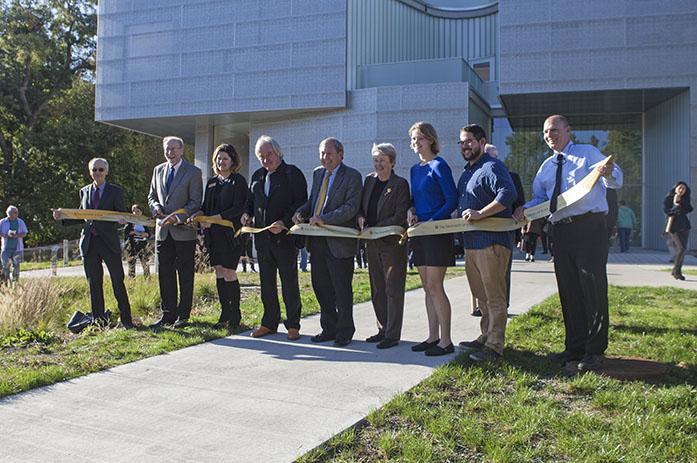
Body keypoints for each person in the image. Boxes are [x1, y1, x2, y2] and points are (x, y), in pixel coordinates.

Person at [514, 115, 623, 372]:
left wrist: (608, 172)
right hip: (560, 232)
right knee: (569, 290)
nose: (549, 135)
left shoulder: (588, 153)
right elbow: (540, 199)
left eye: (554, 130)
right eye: (545, 132)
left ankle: (595, 351)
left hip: (589, 228)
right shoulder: (545, 167)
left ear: (567, 130)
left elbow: (615, 177)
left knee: (592, 289)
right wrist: (523, 210)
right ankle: (574, 348)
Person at [293, 137, 362, 347]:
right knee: (321, 287)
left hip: (339, 242)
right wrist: (301, 212)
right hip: (317, 242)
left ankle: (345, 331)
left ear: (341, 154)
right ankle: (328, 328)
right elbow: (314, 201)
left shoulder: (352, 176)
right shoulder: (318, 173)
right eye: (322, 153)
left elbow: (351, 207)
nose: (325, 157)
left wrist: (325, 219)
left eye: (329, 153)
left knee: (341, 289)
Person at [456, 125, 517, 362]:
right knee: (480, 295)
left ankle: (495, 346)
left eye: (469, 141)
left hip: (492, 243)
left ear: (482, 142)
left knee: (494, 298)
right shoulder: (467, 172)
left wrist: (481, 213)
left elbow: (507, 194)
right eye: (462, 142)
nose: (465, 146)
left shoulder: (492, 166)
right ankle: (485, 335)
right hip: (471, 244)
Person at [53, 158, 133, 328]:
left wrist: (122, 220)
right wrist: (62, 217)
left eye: (100, 170)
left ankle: (127, 321)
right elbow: (82, 216)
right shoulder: (84, 191)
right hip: (89, 243)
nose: (97, 173)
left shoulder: (115, 191)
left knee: (117, 281)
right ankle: (99, 322)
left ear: (106, 172)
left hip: (108, 243)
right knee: (94, 284)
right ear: (90, 172)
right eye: (94, 170)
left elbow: (122, 215)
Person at [242, 135, 308, 340]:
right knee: (266, 283)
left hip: (285, 239)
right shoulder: (257, 176)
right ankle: (269, 323)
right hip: (262, 240)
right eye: (261, 156)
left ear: (278, 152)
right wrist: (247, 214)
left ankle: (293, 325)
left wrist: (285, 222)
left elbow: (301, 203)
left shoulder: (292, 173)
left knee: (289, 282)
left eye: (269, 154)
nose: (265, 159)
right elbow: (250, 201)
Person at [407, 122, 457, 356]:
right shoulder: (415, 169)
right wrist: (412, 210)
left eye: (420, 138)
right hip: (420, 232)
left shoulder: (440, 165)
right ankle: (432, 337)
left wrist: (431, 221)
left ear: (431, 140)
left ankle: (446, 341)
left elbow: (451, 201)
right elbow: (415, 199)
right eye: (413, 139)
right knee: (427, 287)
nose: (416, 143)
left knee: (436, 286)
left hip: (437, 232)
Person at [357, 143, 410, 349]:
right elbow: (362, 208)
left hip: (391, 244)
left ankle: (392, 334)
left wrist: (376, 228)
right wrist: (361, 219)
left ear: (392, 162)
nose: (378, 164)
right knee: (377, 288)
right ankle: (382, 328)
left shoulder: (400, 184)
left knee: (392, 289)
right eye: (376, 160)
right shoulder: (369, 180)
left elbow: (399, 215)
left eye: (382, 160)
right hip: (371, 243)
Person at [148, 136, 203, 329]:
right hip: (163, 232)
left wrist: (177, 217)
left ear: (181, 150)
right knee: (165, 273)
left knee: (185, 274)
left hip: (183, 231)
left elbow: (195, 202)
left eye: (173, 149)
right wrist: (155, 208)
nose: (170, 152)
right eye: (167, 149)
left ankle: (184, 315)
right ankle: (167, 314)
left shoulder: (194, 172)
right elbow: (152, 196)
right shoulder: (158, 170)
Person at [196, 144, 247, 330]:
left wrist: (215, 219)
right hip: (213, 235)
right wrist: (200, 215)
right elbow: (205, 205)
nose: (221, 161)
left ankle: (235, 315)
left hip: (230, 234)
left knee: (229, 272)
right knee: (218, 271)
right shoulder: (211, 182)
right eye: (218, 158)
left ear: (233, 161)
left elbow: (238, 208)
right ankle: (224, 314)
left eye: (225, 158)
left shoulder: (238, 181)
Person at [664, 181, 692, 280]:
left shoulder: (685, 199)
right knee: (681, 249)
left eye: (683, 189)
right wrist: (675, 205)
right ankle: (677, 272)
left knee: (683, 249)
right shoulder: (669, 198)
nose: (681, 190)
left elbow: (689, 209)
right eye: (680, 188)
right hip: (673, 226)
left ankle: (675, 270)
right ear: (675, 188)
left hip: (684, 227)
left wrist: (680, 203)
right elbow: (667, 211)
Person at [0, 205, 28, 282]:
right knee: (5, 267)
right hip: (5, 249)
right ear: (9, 213)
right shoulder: (2, 222)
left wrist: (17, 236)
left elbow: (25, 233)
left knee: (16, 267)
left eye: (17, 212)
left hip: (17, 249)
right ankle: (6, 283)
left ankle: (15, 283)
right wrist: (5, 235)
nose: (17, 213)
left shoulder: (20, 222)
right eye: (15, 212)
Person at [124, 204, 152, 278]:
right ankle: (131, 281)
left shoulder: (144, 222)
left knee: (145, 263)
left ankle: (147, 280)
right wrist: (136, 233)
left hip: (143, 244)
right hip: (132, 244)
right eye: (134, 211)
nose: (136, 213)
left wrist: (145, 234)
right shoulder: (130, 221)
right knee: (131, 264)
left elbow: (149, 234)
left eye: (138, 211)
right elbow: (126, 232)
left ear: (141, 212)